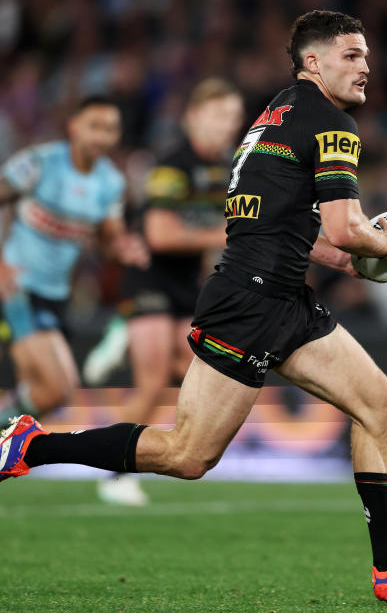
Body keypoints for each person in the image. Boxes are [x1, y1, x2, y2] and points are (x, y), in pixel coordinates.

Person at [0, 11, 387, 603]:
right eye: (352, 55)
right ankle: (33, 445)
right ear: (314, 62)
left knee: (380, 406)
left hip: (278, 295)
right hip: (251, 303)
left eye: (366, 56)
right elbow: (343, 225)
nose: (366, 67)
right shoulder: (333, 126)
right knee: (188, 455)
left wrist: (346, 258)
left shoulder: (272, 118)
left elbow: (281, 225)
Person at [0, 95, 147, 514]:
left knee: (52, 392)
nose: (102, 136)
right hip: (18, 285)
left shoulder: (110, 182)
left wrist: (122, 247)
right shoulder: (39, 163)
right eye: (95, 125)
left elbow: (109, 241)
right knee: (58, 385)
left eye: (110, 128)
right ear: (74, 126)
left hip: (56, 295)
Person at [83, 78, 245, 506]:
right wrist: (225, 234)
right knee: (152, 381)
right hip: (150, 280)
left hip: (185, 285)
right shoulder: (173, 165)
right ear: (193, 116)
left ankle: (122, 335)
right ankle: (115, 473)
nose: (226, 125)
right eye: (218, 115)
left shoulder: (227, 170)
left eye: (232, 117)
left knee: (191, 370)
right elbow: (158, 234)